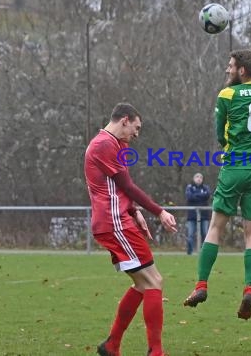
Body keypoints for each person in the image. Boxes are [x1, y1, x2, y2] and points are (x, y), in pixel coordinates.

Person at [182, 49, 251, 320]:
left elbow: (220, 133)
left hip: (234, 167)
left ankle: (201, 285)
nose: (227, 70)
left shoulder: (227, 95)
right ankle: (249, 288)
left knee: (215, 228)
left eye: (230, 66)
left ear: (242, 70)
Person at [84, 103, 178, 356]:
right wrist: (159, 211)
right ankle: (155, 352)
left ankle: (112, 345)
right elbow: (127, 186)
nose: (137, 134)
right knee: (154, 282)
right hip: (114, 223)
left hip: (117, 220)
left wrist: (135, 211)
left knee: (143, 284)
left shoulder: (118, 145)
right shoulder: (103, 144)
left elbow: (122, 187)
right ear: (124, 120)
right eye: (136, 128)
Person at [185, 172, 211, 255]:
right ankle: (190, 252)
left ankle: (204, 252)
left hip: (204, 215)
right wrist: (200, 196)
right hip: (192, 215)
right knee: (190, 234)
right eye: (197, 177)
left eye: (200, 177)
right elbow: (189, 197)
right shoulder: (189, 187)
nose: (199, 178)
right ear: (193, 178)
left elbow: (207, 196)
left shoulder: (206, 187)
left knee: (205, 234)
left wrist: (196, 196)